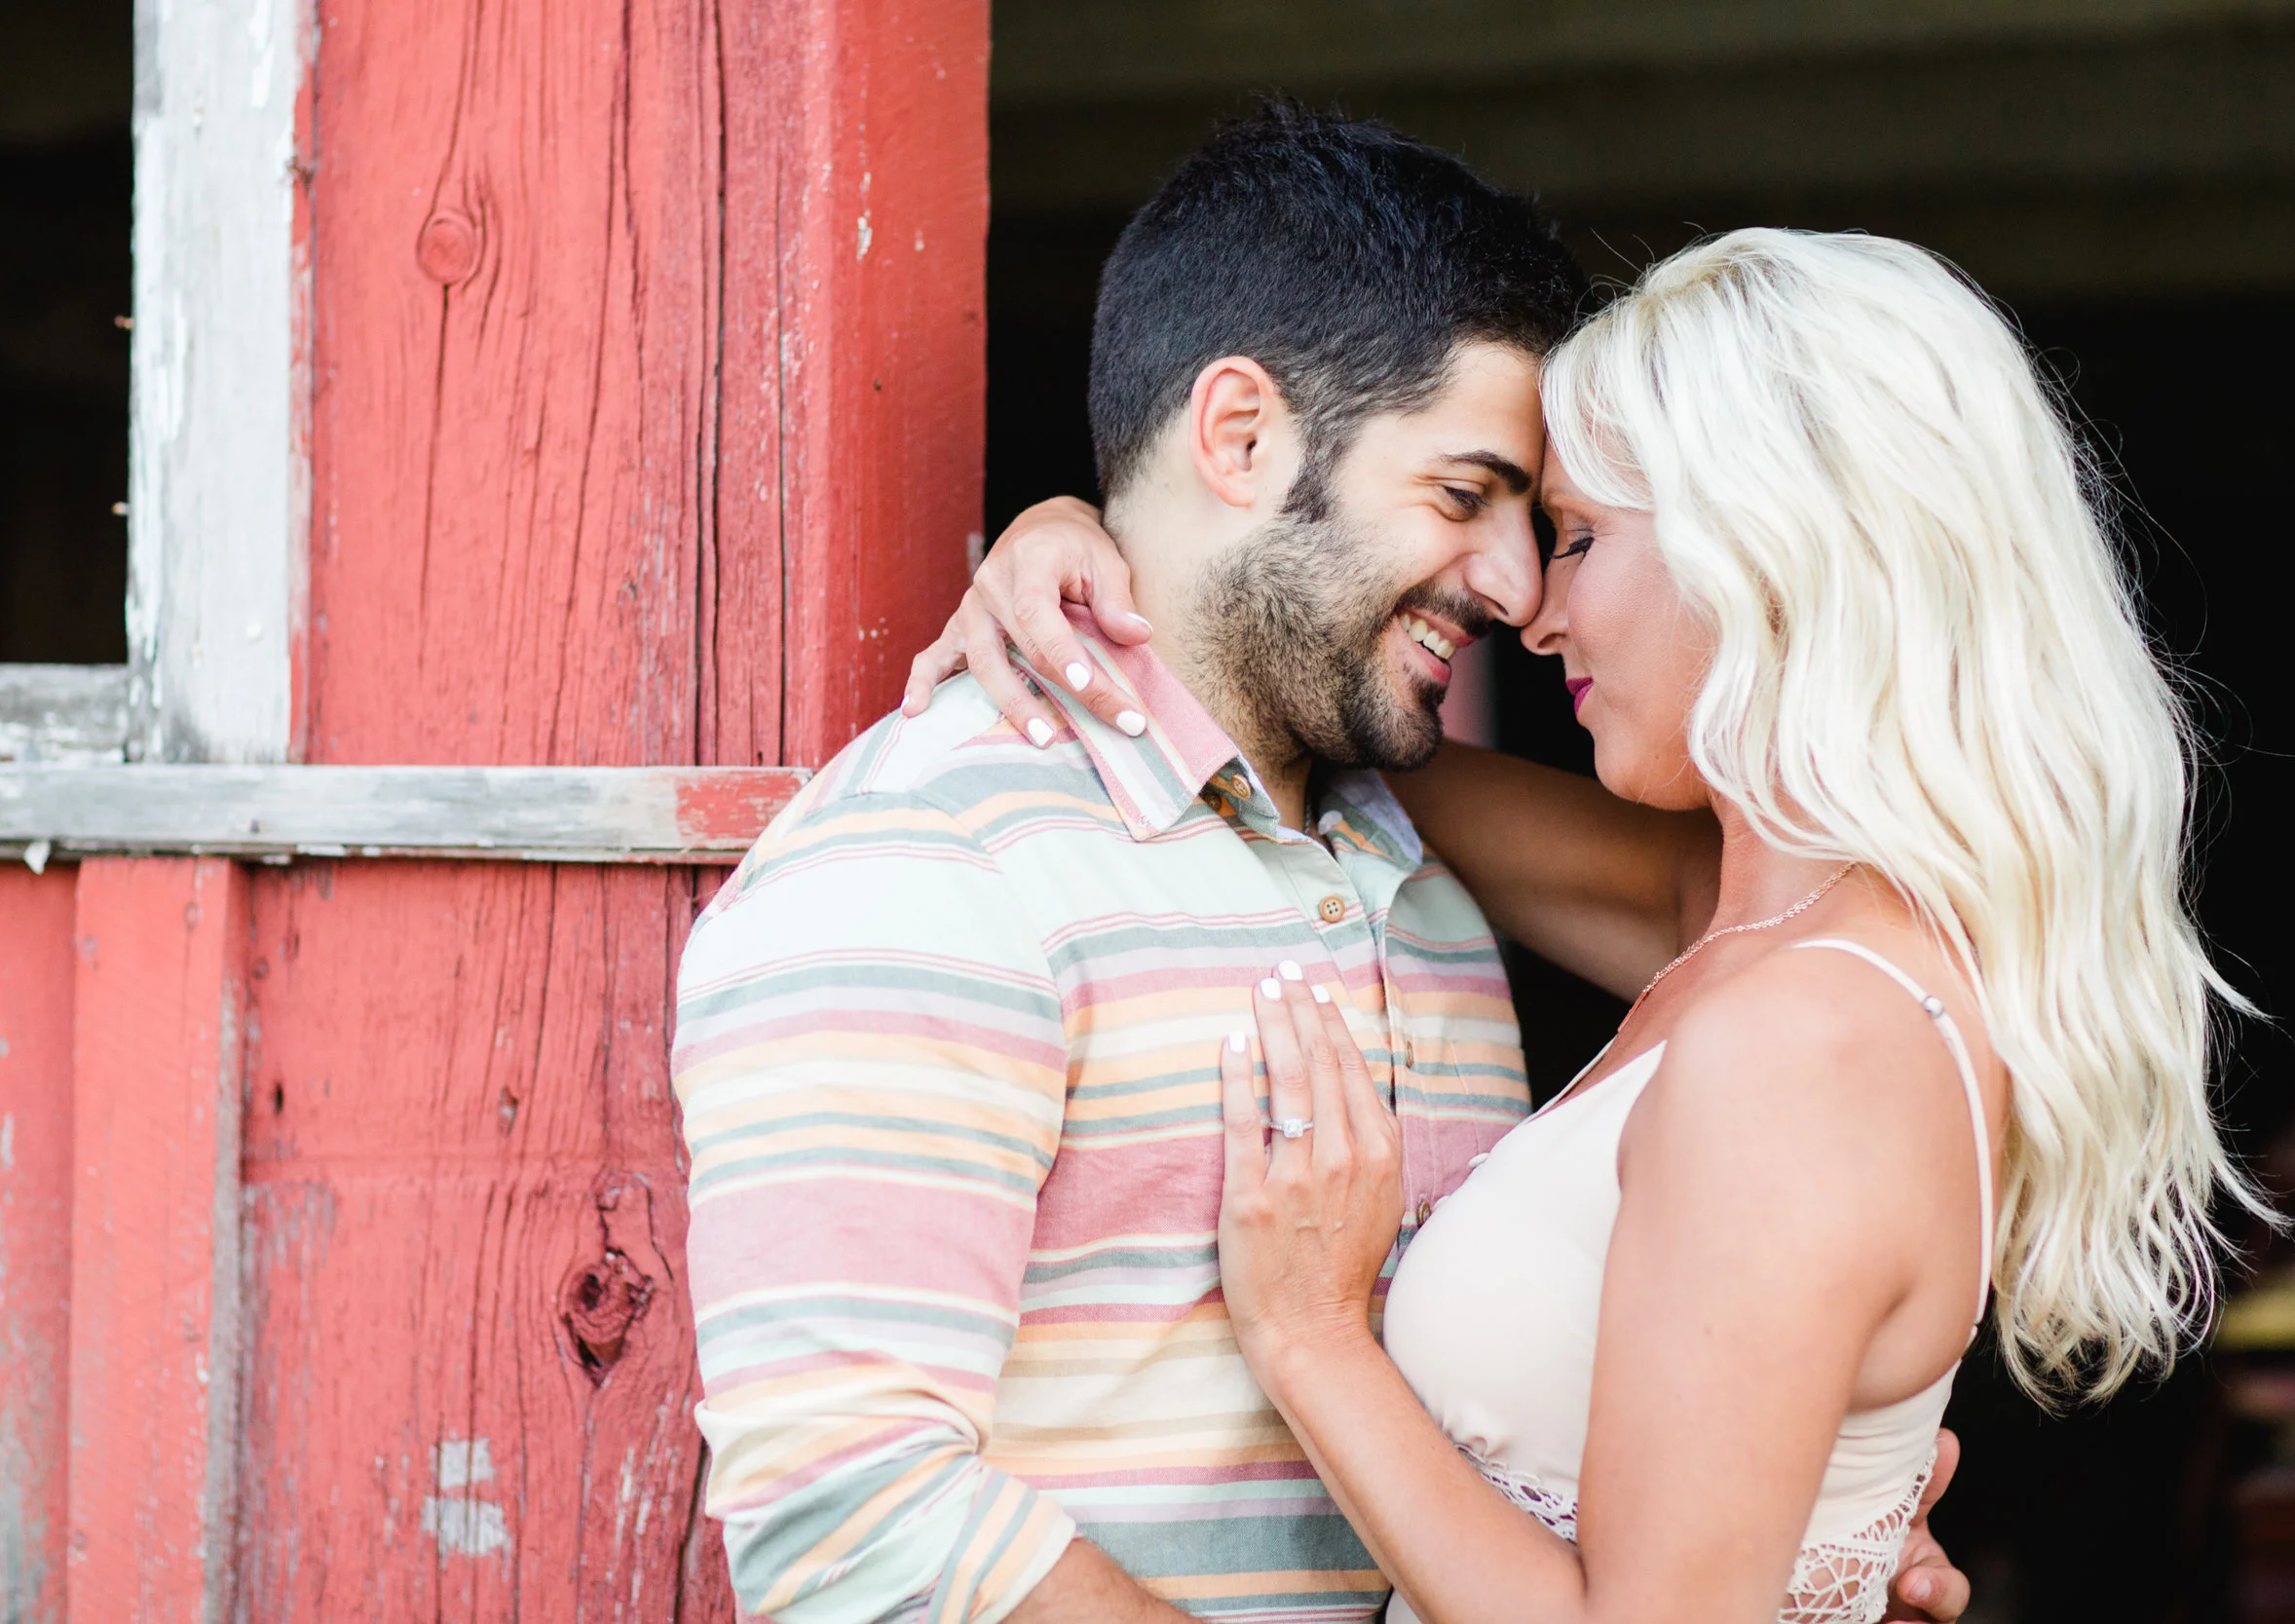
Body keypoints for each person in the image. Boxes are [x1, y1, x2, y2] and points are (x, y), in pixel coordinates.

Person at [674, 109, 1975, 1623]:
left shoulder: (1403, 855)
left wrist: (1793, 1532)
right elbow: (855, 1529)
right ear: (1238, 438)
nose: (1515, 587)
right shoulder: (925, 869)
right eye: (1463, 496)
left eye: (1545, 526)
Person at [909, 228, 2270, 1621]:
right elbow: (1325, 745)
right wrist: (1120, 560)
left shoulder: (1805, 1039)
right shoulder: (1751, 932)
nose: (1536, 611)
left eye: (1576, 537)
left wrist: (1313, 1337)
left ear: (1767, 546)